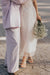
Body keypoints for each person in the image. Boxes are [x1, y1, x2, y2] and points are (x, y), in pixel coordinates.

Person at [1, 0, 28, 75]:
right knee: (14, 44)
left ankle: (7, 63)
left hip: (12, 20)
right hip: (12, 20)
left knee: (11, 44)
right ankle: (12, 69)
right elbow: (20, 1)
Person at [20, 0, 41, 68]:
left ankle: (24, 59)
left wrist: (37, 14)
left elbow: (34, 2)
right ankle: (29, 55)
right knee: (22, 35)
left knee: (28, 35)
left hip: (29, 13)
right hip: (19, 13)